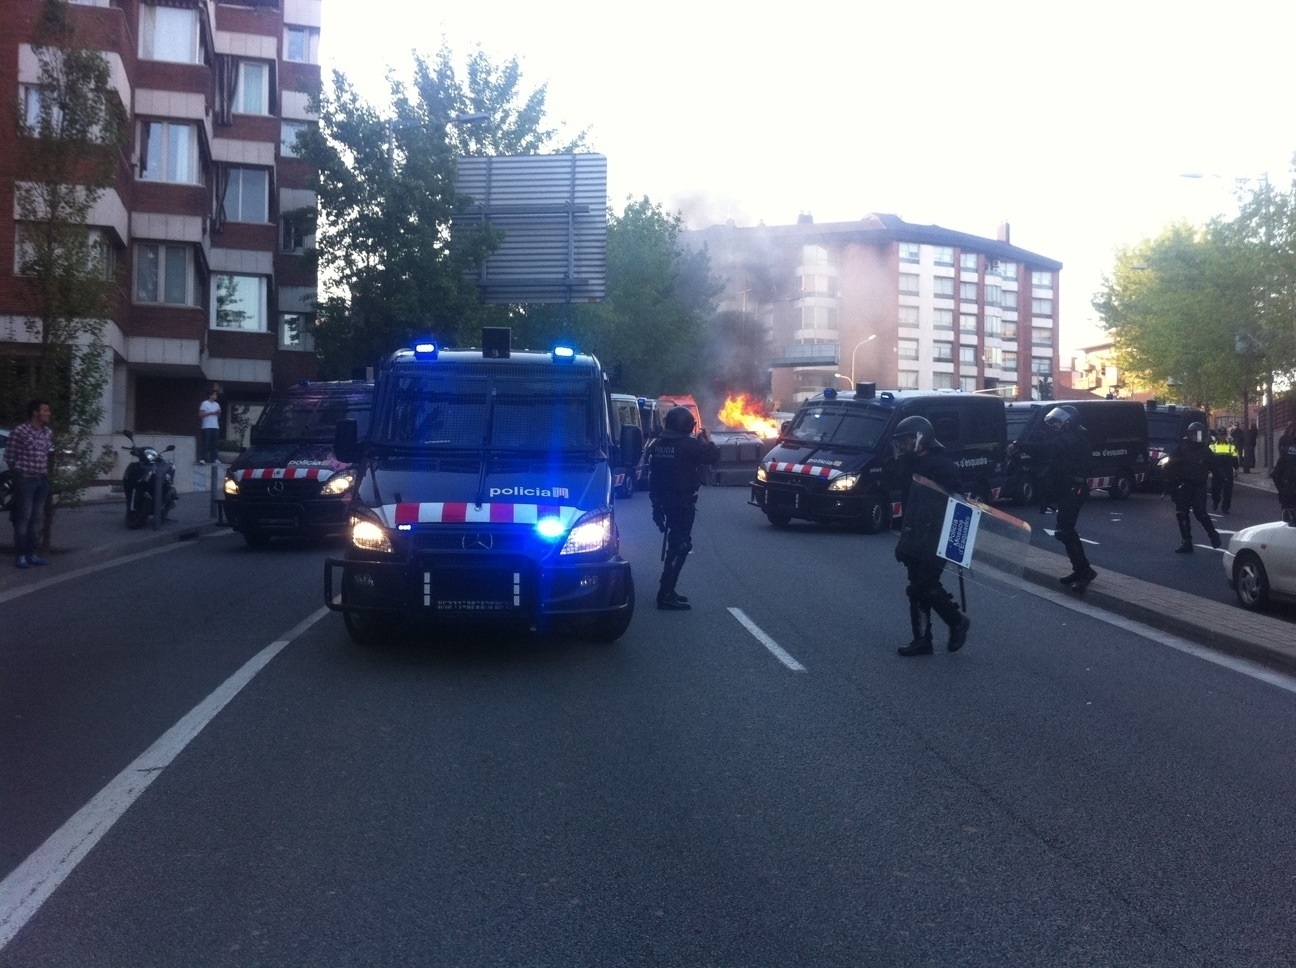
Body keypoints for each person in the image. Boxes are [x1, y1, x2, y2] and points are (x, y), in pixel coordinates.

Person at [890, 415, 971, 656]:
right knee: (916, 586)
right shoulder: (912, 465)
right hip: (915, 534)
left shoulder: (942, 465)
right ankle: (922, 639)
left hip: (936, 533)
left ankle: (956, 620)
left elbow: (958, 502)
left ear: (919, 439)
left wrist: (957, 542)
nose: (902, 446)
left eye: (905, 440)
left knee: (925, 583)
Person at [1008, 405, 1097, 590]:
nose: (1056, 426)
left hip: (1074, 489)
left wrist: (1019, 445)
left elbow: (1048, 449)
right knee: (1065, 530)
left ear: (1069, 422)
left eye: (1059, 422)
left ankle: (1085, 571)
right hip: (1068, 489)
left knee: (1065, 530)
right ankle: (1080, 569)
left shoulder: (1073, 438)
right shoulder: (1069, 437)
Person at [648, 405, 720, 610]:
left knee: (676, 544)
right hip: (682, 503)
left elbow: (653, 478)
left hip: (664, 502)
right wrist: (707, 438)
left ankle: (667, 590)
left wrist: (656, 507)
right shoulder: (690, 445)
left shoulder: (657, 445)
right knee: (680, 546)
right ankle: (665, 593)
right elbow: (714, 456)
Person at [3, 399, 54, 569]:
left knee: (36, 519)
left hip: (41, 479)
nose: (48, 414)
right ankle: (21, 555)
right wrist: (19, 473)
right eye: (45, 410)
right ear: (35, 412)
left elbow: (46, 454)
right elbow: (10, 456)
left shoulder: (47, 433)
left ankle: (32, 553)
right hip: (26, 479)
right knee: (23, 518)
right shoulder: (20, 431)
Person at [1164, 421, 1222, 553]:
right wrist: (1170, 484)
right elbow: (1170, 464)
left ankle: (1213, 534)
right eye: (1194, 434)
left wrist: (1216, 495)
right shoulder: (1182, 448)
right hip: (1184, 484)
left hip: (1199, 485)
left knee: (1200, 513)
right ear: (1189, 435)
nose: (1197, 437)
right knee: (1181, 513)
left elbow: (1216, 473)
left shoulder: (1205, 451)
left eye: (1200, 435)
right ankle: (1186, 541)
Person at [1208, 428, 1238, 513]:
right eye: (1220, 435)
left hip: (1228, 471)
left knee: (1228, 491)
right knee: (1215, 490)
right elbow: (1208, 458)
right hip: (1216, 471)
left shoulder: (1231, 446)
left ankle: (1225, 508)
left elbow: (1235, 457)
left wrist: (1236, 468)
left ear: (1226, 436)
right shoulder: (1212, 446)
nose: (1222, 437)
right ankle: (1216, 501)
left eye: (1224, 435)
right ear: (1218, 436)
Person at [1273, 422, 1296, 518]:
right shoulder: (1285, 441)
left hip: (1287, 485)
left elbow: (1275, 474)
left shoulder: (1286, 453)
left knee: (1286, 513)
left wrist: (1281, 489)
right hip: (1288, 484)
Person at [198, 388, 221, 464]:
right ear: (210, 395)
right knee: (206, 443)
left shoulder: (217, 404)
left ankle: (214, 459)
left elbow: (219, 415)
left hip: (215, 426)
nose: (216, 396)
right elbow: (201, 414)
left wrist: (218, 413)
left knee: (215, 443)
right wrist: (211, 413)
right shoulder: (204, 403)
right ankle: (203, 459)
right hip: (206, 426)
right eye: (215, 394)